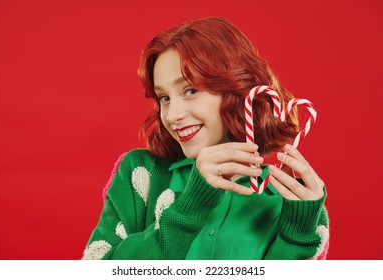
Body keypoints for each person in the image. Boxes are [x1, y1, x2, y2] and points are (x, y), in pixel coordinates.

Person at [82, 17, 329, 260]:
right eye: (164, 98)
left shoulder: (288, 198)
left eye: (190, 91)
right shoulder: (142, 174)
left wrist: (297, 236)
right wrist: (191, 205)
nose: (173, 115)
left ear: (236, 90)